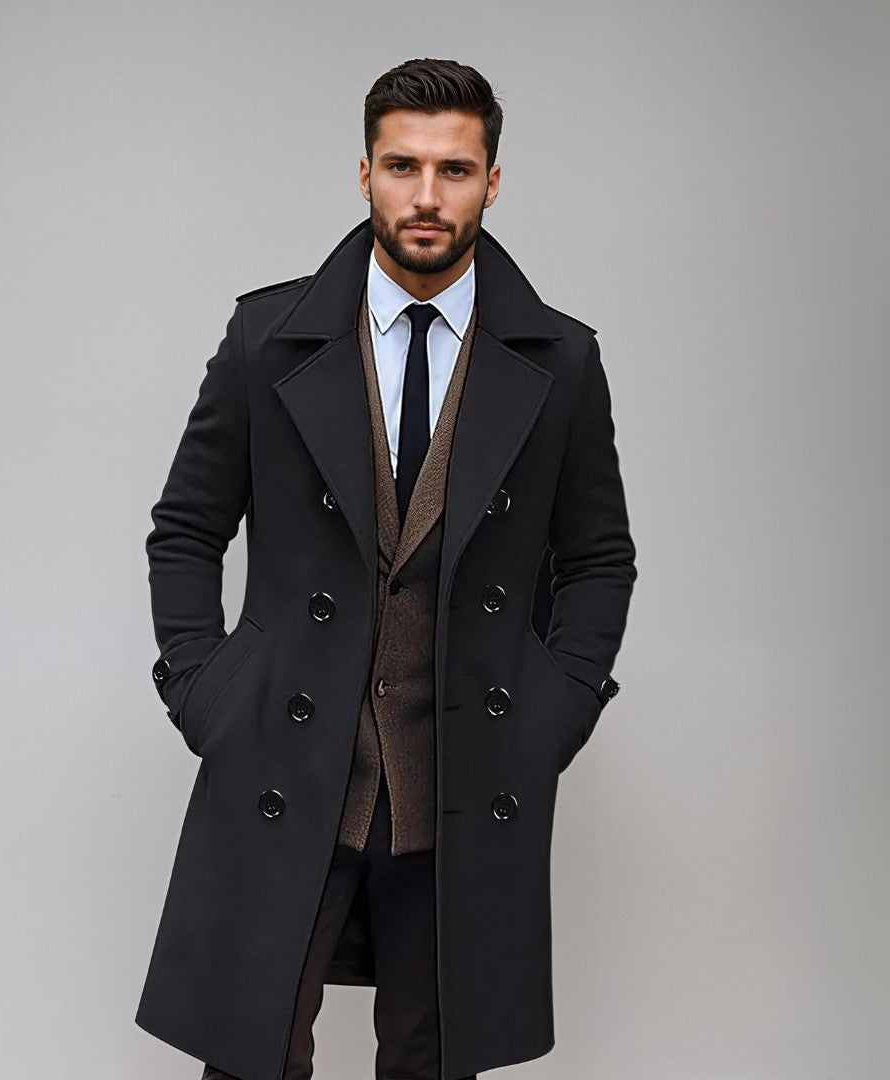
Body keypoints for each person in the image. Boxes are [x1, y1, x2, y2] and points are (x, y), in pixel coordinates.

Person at [136, 57, 637, 1080]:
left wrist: (555, 709)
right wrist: (205, 692)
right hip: (286, 760)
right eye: (403, 166)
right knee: (252, 1055)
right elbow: (185, 530)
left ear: (493, 182)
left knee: (431, 1057)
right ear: (364, 173)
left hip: (461, 770)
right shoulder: (267, 339)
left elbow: (597, 558)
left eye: (455, 169)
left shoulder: (562, 361)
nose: (426, 196)